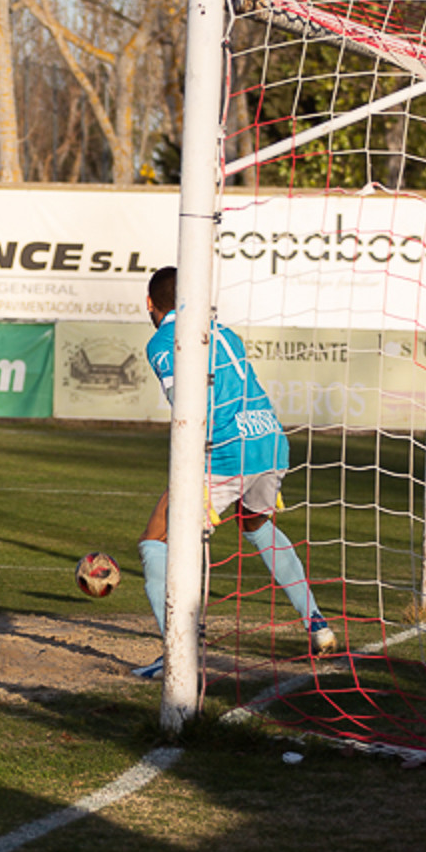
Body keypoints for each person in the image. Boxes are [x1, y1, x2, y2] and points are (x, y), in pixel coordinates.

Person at [131, 266, 335, 678]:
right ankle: (317, 623)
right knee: (254, 522)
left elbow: (190, 405)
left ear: (150, 304)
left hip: (225, 449)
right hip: (270, 439)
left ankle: (178, 655)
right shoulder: (223, 331)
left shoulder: (161, 343)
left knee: (156, 540)